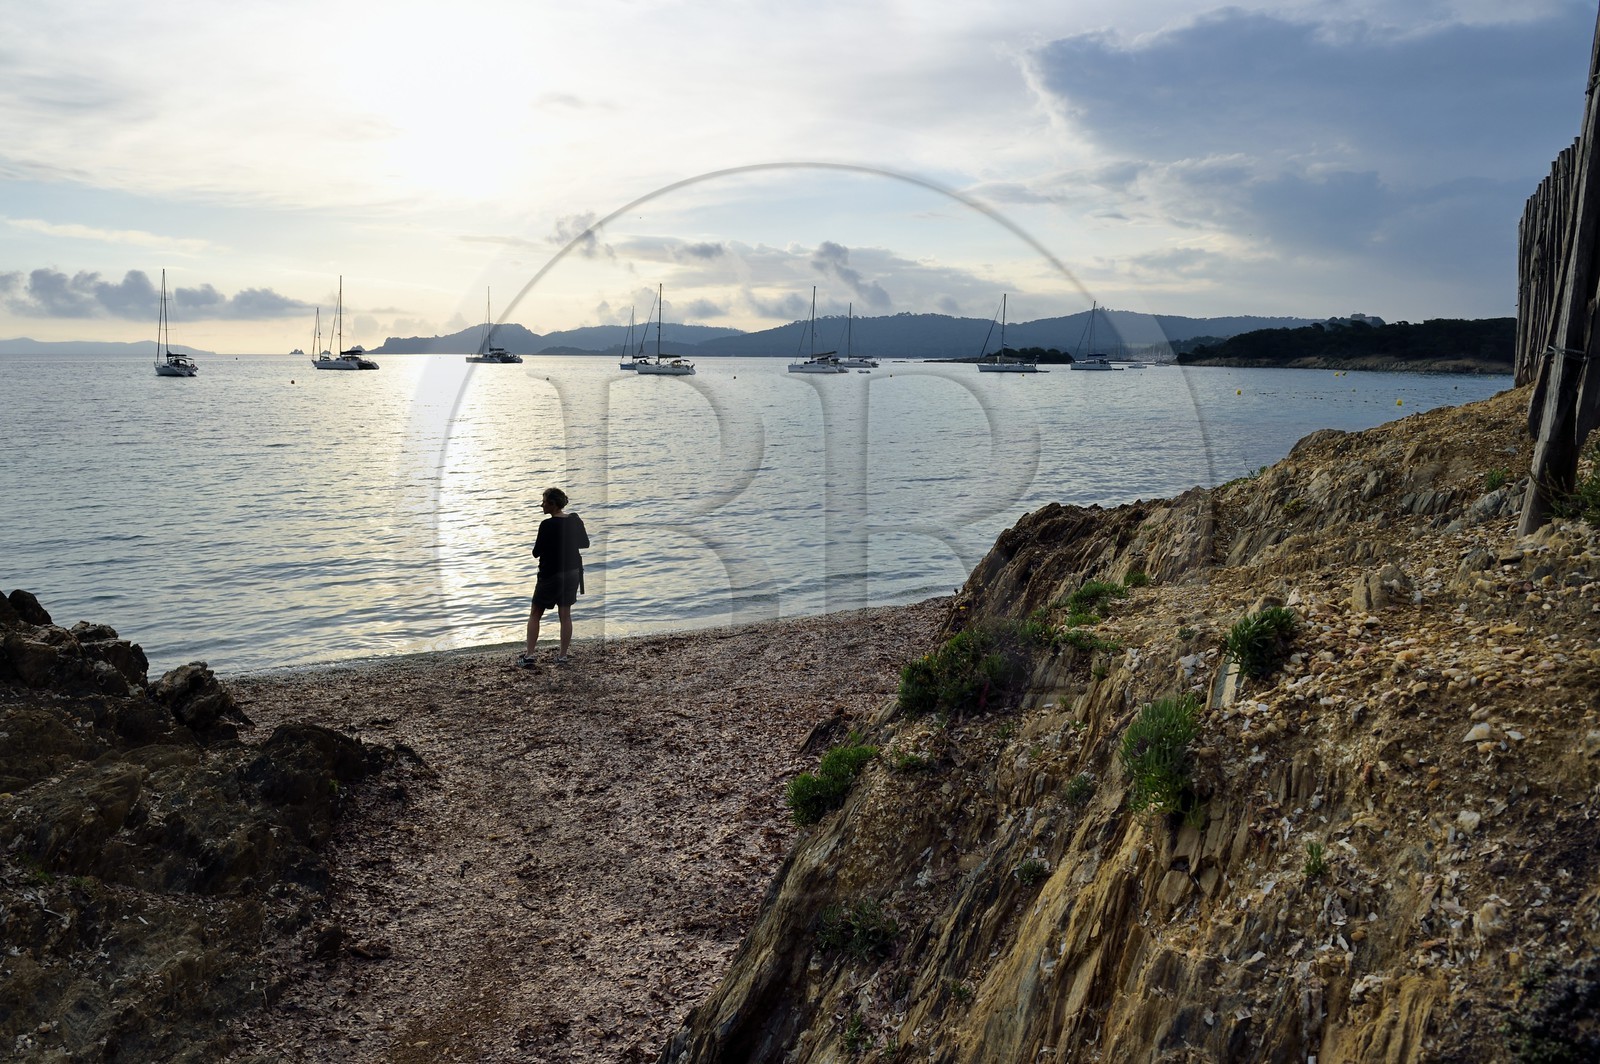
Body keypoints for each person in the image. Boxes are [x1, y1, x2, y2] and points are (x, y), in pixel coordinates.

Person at [518, 487, 589, 669]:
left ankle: (529, 655)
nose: (541, 505)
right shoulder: (574, 520)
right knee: (565, 614)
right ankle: (562, 656)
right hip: (572, 572)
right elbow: (584, 544)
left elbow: (536, 552)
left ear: (552, 504)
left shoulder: (546, 525)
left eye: (544, 502)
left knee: (535, 613)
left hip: (550, 574)